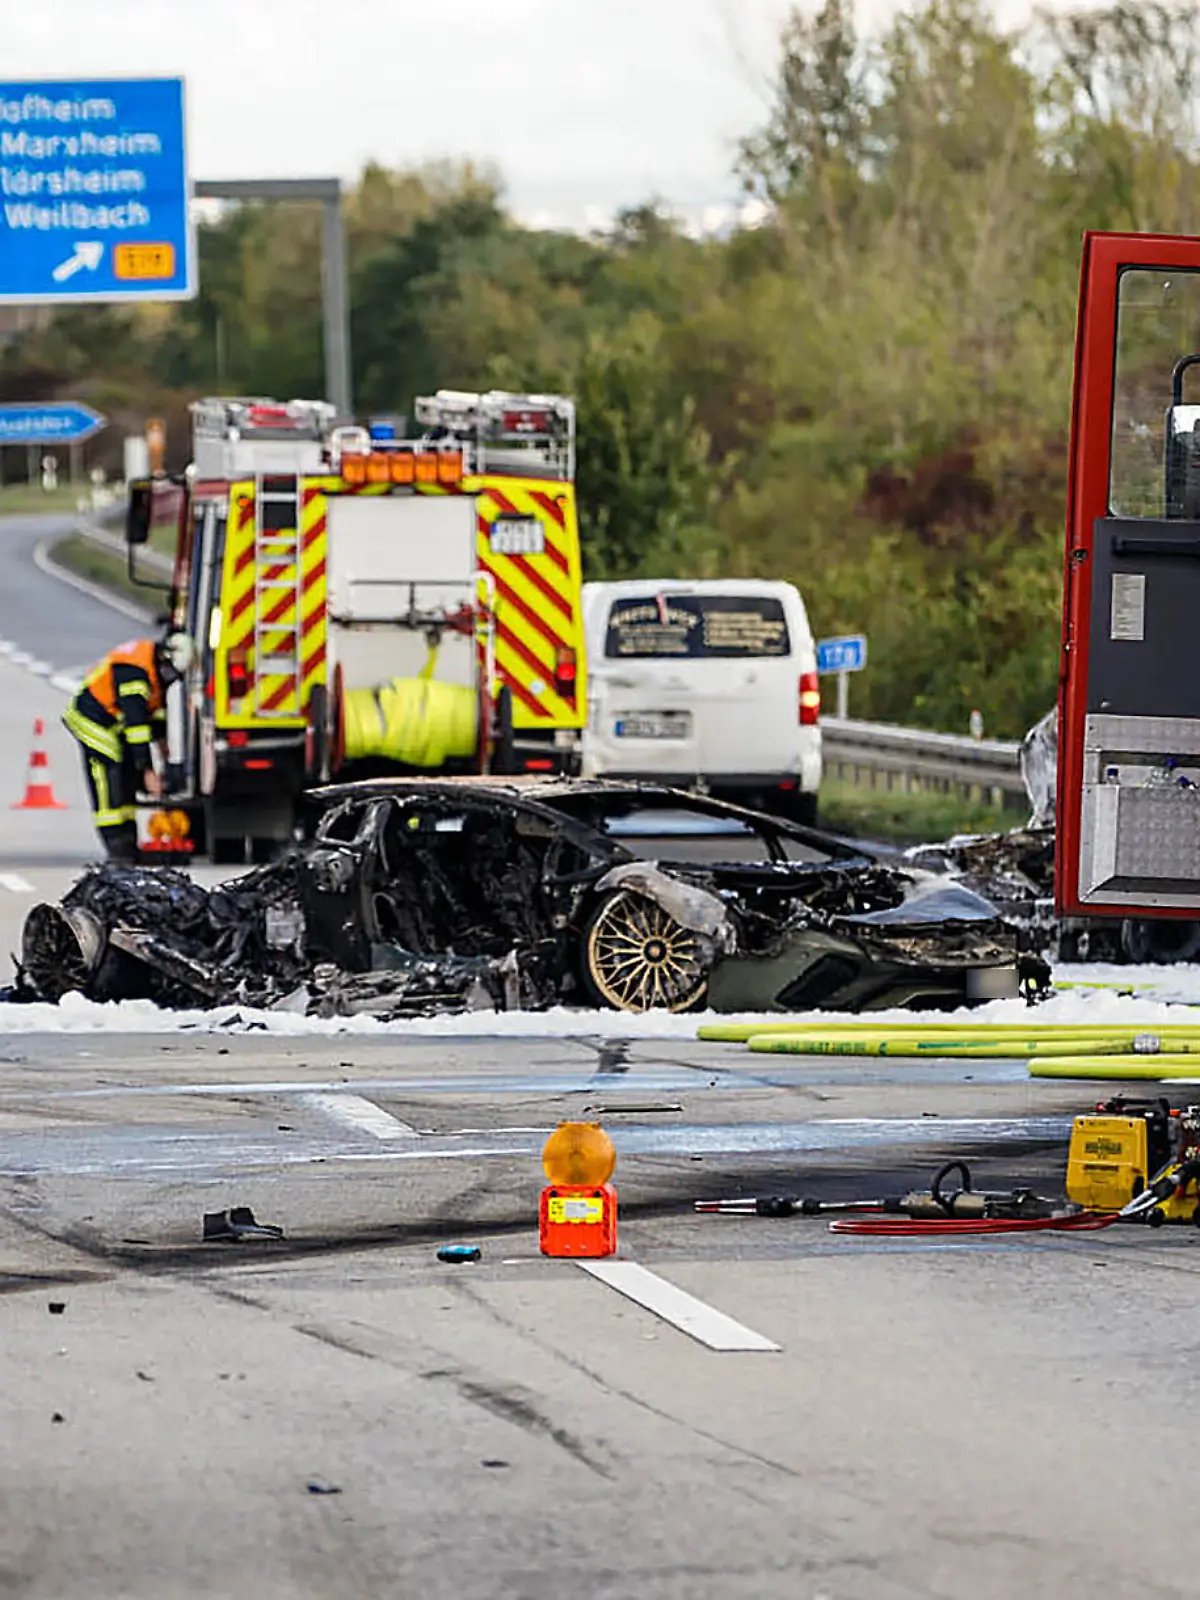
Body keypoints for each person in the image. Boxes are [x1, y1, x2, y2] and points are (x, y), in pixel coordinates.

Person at [62, 632, 195, 861]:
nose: (171, 678)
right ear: (165, 658)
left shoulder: (155, 671)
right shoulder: (134, 671)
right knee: (109, 775)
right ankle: (116, 847)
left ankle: (129, 845)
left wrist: (164, 750)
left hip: (115, 722)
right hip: (93, 721)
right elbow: (137, 727)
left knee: (128, 777)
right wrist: (148, 770)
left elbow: (154, 715)